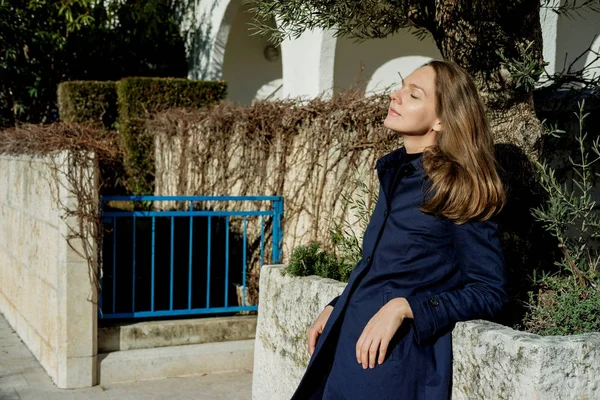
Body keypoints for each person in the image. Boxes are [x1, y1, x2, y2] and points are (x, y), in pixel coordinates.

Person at [290, 60, 508, 400]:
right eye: (400, 86)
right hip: (344, 346)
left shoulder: (458, 188)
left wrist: (406, 307)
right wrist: (338, 304)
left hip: (391, 367)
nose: (395, 95)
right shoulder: (396, 173)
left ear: (441, 119)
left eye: (413, 94)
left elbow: (489, 291)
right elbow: (385, 268)